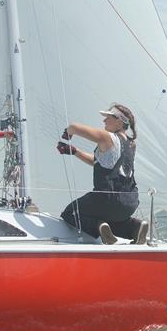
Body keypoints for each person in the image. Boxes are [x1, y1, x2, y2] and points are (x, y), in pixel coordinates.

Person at [58, 103, 149, 245]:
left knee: (70, 213)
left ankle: (99, 226)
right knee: (112, 220)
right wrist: (74, 151)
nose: (104, 121)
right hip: (130, 202)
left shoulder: (108, 138)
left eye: (108, 117)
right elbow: (98, 162)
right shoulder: (131, 144)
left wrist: (68, 132)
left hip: (107, 199)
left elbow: (74, 127)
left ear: (119, 121)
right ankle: (135, 227)